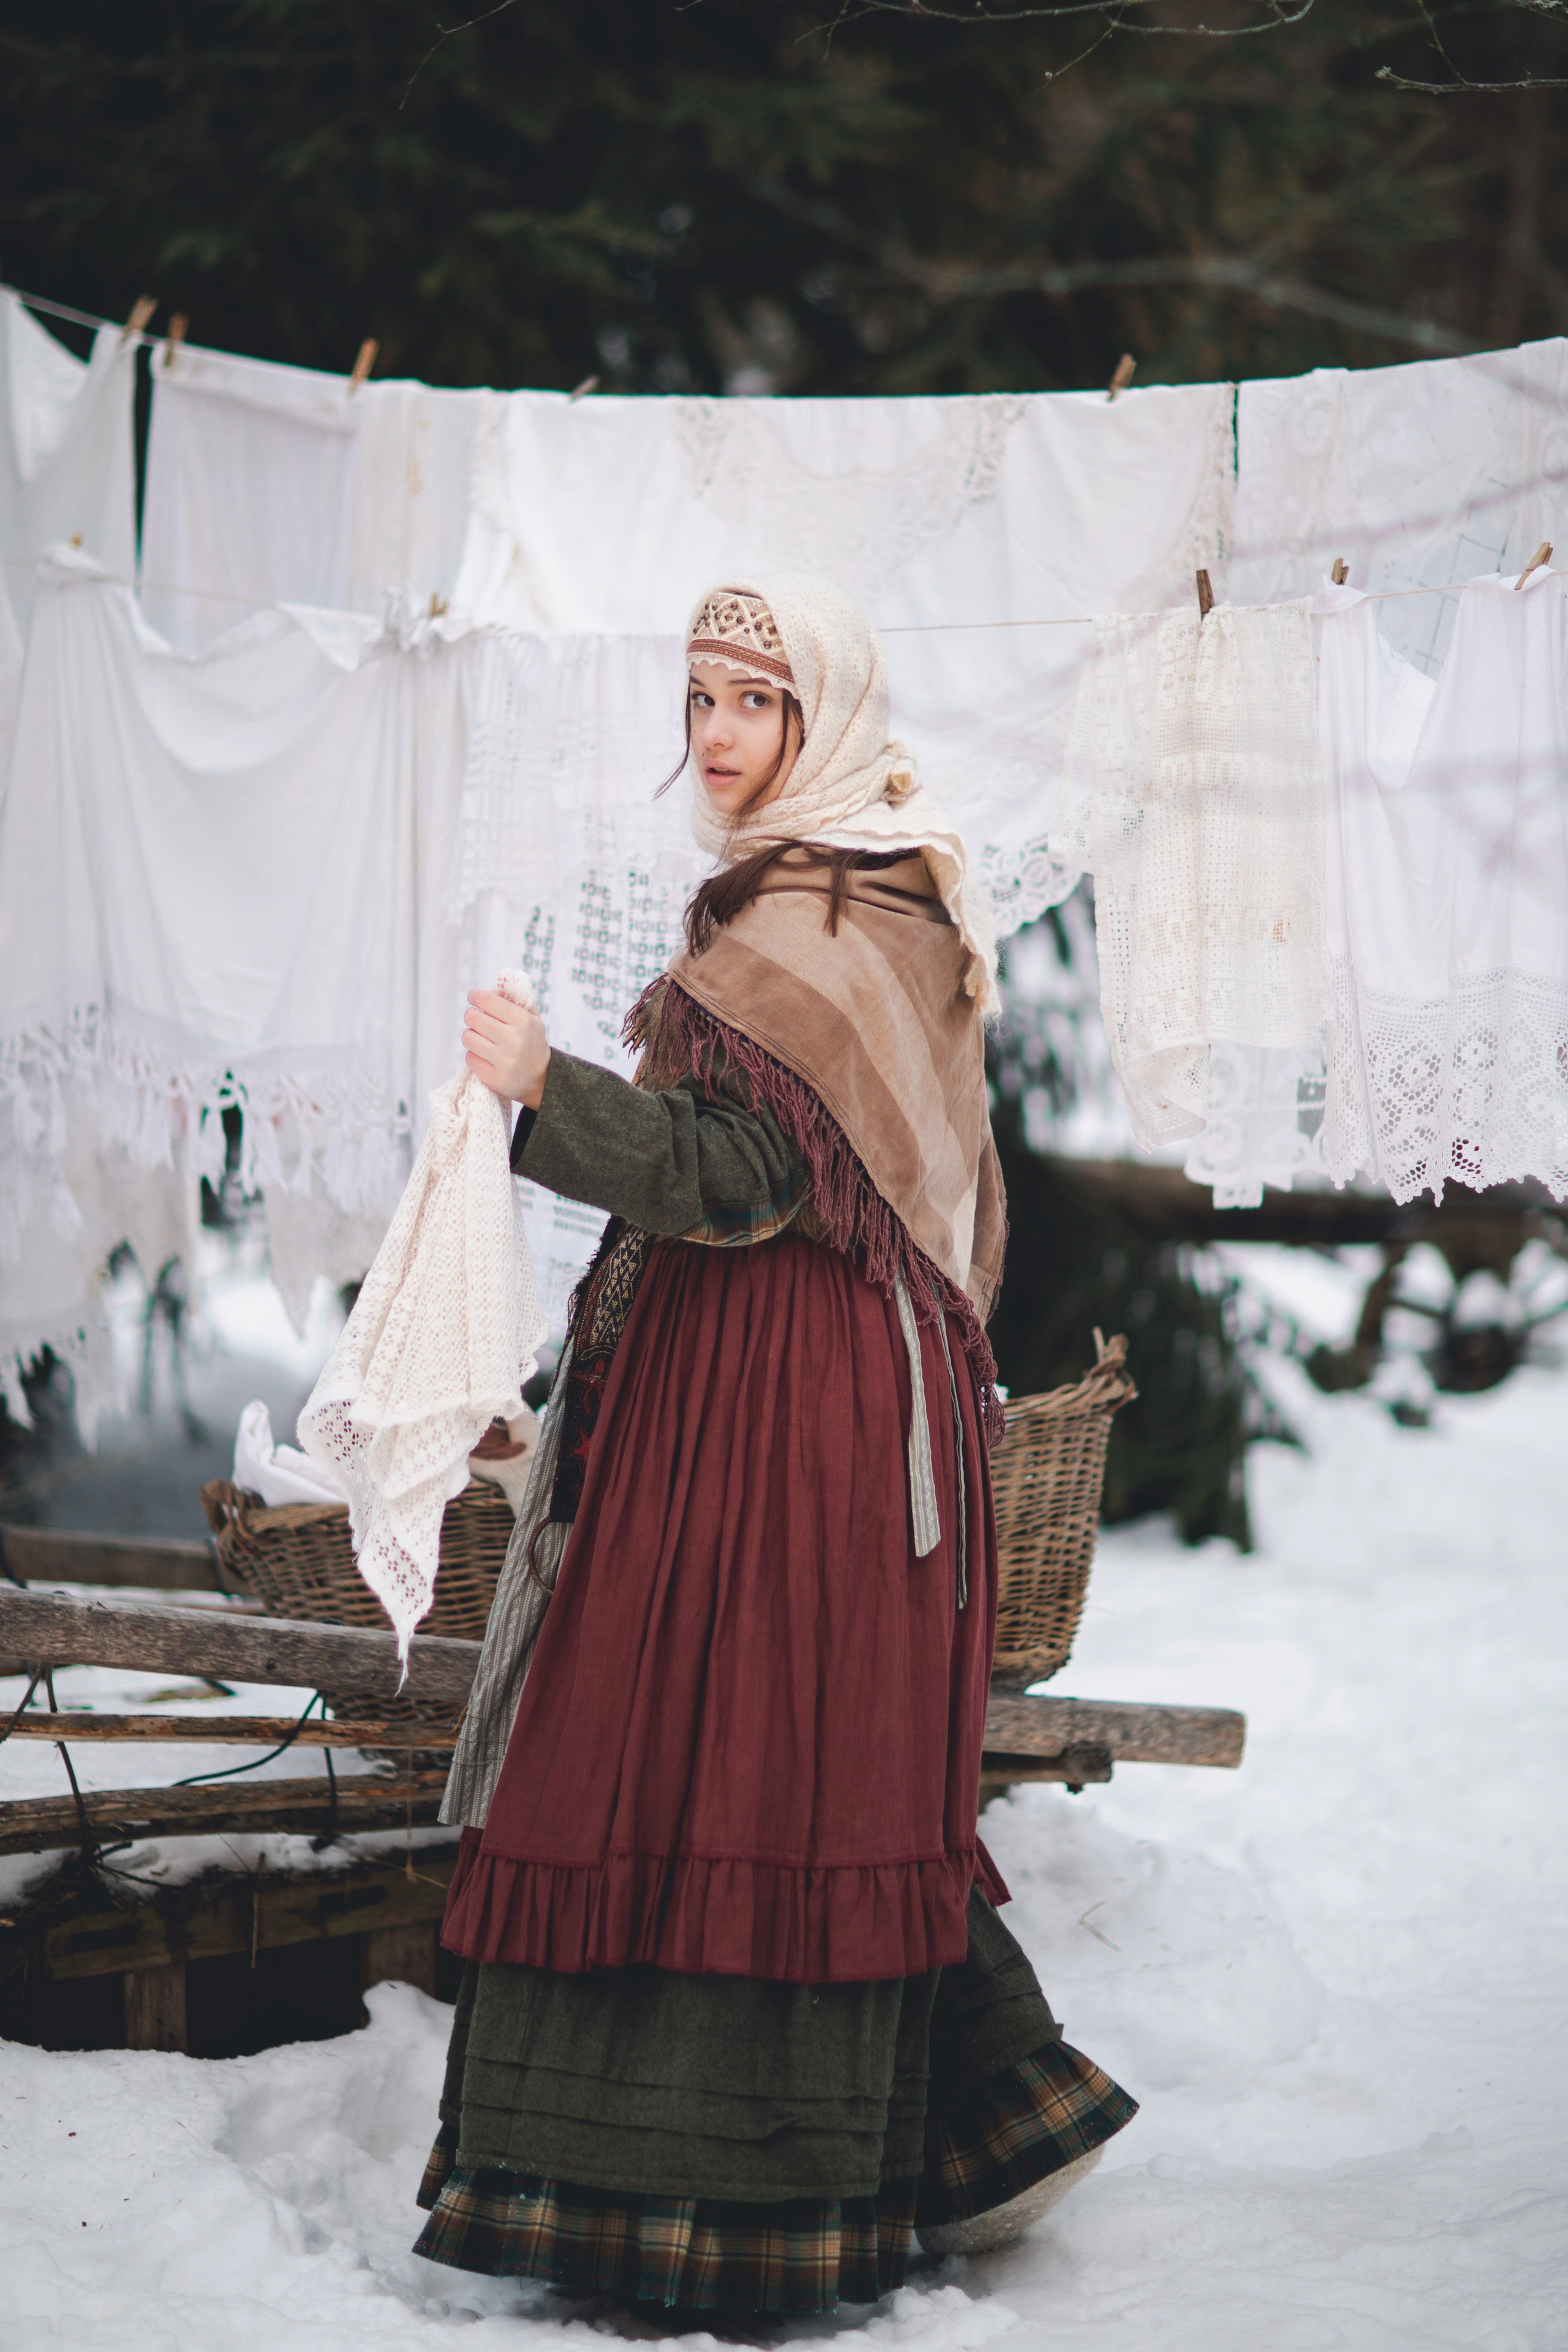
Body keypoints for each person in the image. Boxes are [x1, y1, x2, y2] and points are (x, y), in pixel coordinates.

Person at [413, 575, 1136, 2318]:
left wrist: (548, 1094)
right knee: (729, 1747)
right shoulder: (802, 898)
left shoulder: (839, 912)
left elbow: (747, 1177)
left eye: (757, 706)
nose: (719, 740)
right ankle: (987, 2123)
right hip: (734, 1400)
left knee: (755, 1749)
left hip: (804, 1423)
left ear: (827, 722)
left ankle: (771, 2195)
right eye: (701, 705)